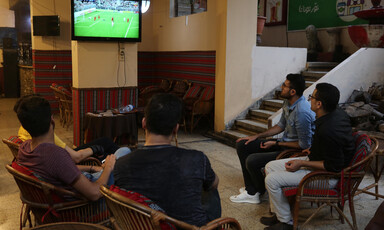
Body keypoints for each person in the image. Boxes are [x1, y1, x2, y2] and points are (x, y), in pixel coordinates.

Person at [114, 93, 221, 227]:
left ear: (144, 123)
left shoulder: (121, 164)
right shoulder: (196, 158)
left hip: (144, 225)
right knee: (210, 185)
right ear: (176, 129)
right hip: (192, 228)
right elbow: (214, 183)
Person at [260, 83, 355, 230]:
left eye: (312, 97)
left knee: (272, 180)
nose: (309, 99)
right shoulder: (335, 113)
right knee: (270, 166)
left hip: (327, 177)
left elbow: (333, 166)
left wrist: (301, 164)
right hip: (318, 160)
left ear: (319, 104)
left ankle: (286, 223)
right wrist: (314, 149)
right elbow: (332, 146)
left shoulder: (329, 130)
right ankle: (280, 213)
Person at [15, 95, 129, 201]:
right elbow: (94, 193)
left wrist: (92, 168)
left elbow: (62, 169)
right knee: (124, 152)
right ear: (52, 120)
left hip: (78, 184)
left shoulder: (24, 149)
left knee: (119, 154)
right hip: (84, 205)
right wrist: (108, 167)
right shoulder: (55, 154)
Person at [230, 74, 315, 204]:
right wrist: (257, 136)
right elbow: (280, 125)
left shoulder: (302, 112)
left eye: (285, 86)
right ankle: (251, 189)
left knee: (252, 160)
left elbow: (304, 145)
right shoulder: (288, 102)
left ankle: (255, 192)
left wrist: (276, 142)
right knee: (243, 144)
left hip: (293, 151)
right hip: (284, 143)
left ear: (293, 92)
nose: (281, 87)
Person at [13, 94, 119, 163]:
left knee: (105, 142)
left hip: (62, 156)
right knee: (107, 151)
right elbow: (76, 157)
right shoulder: (44, 133)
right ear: (51, 120)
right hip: (67, 158)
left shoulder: (25, 131)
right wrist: (94, 149)